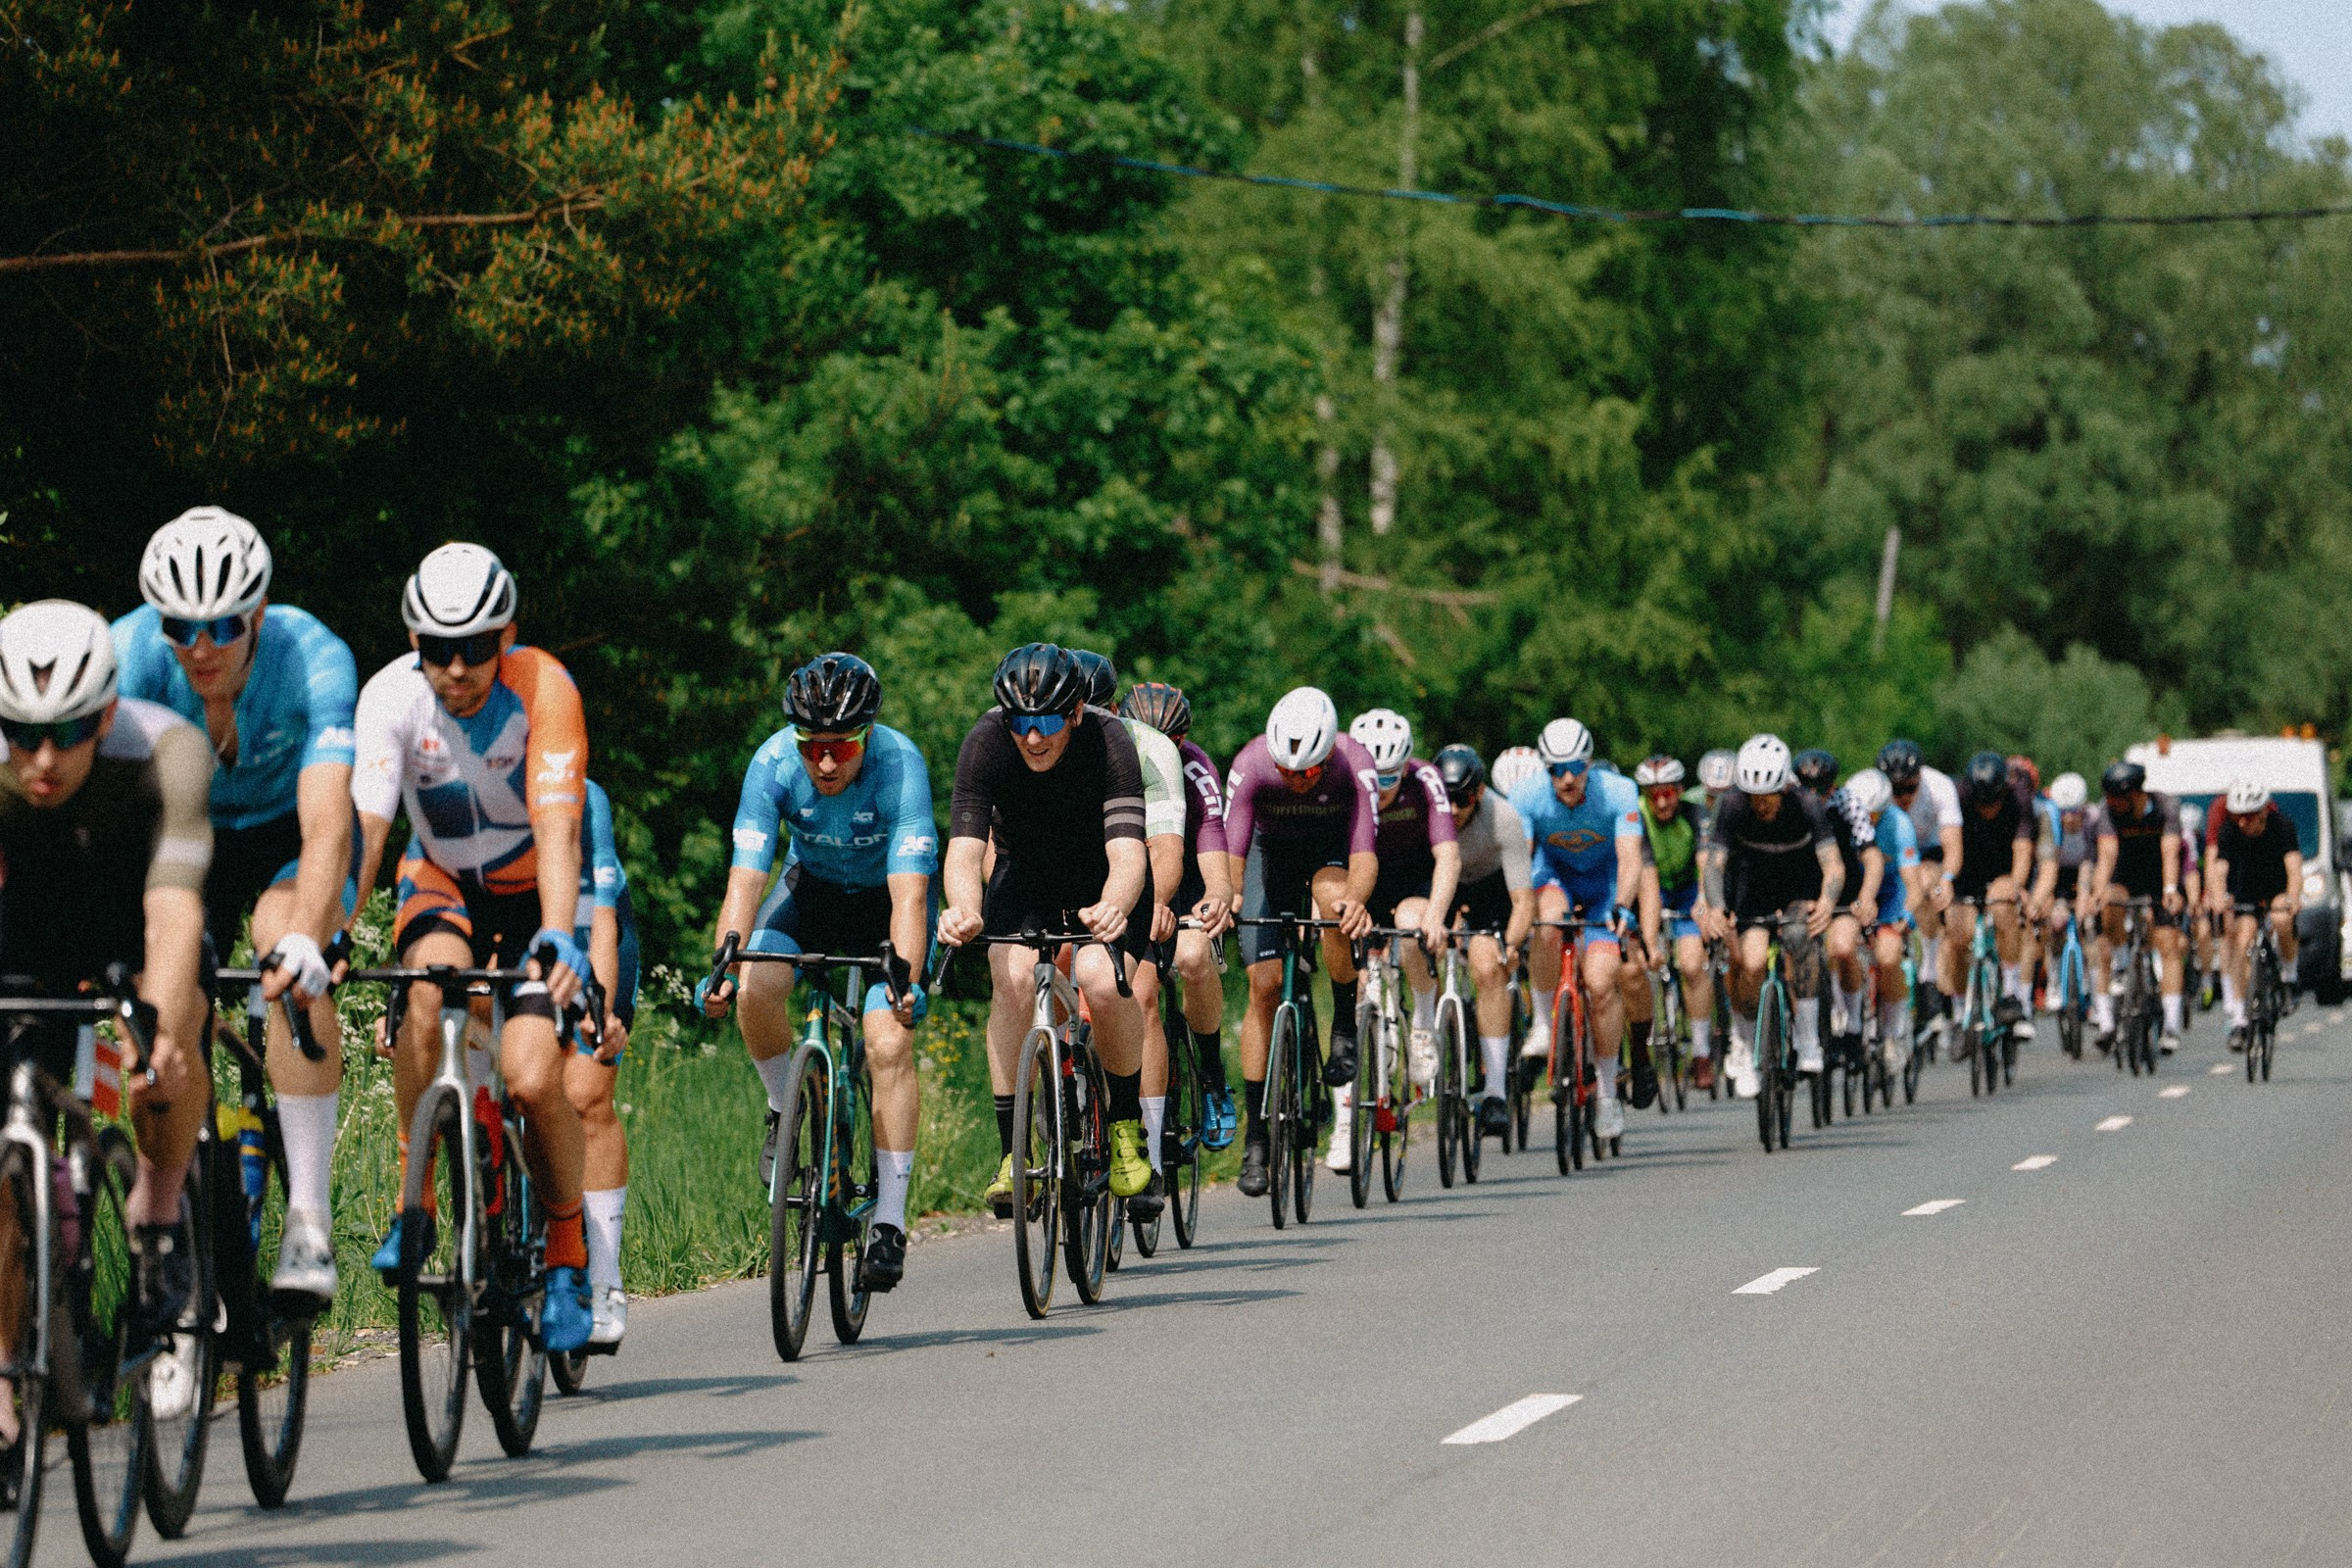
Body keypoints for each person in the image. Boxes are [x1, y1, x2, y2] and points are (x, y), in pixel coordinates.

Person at [350, 544, 598, 1352]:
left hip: (534, 894)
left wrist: (557, 930)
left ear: (507, 636)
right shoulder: (390, 696)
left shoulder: (544, 688)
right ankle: (414, 1206)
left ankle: (569, 1255)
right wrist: (334, 930)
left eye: (476, 647)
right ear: (413, 642)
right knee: (427, 993)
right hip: (443, 882)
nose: (456, 668)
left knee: (531, 1079)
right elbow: (367, 830)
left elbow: (558, 827)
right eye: (437, 649)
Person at [110, 507, 357, 1309]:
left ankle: (309, 1219)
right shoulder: (127, 659)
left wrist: (310, 939)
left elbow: (328, 824)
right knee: (167, 1009)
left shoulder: (313, 658)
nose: (201, 646)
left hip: (289, 831)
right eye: (181, 627)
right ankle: (177, 1223)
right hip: (190, 839)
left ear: (258, 614)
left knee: (286, 948)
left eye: (222, 626)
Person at [0, 603, 215, 1396]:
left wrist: (155, 1027)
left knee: (170, 1044)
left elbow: (174, 911)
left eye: (70, 731)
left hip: (136, 919)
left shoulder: (169, 750)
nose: (43, 759)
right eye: (22, 734)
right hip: (31, 929)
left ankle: (159, 1216)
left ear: (108, 713)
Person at [700, 652, 936, 1292]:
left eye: (842, 747)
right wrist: (723, 964)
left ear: (867, 736)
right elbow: (746, 878)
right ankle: (785, 1106)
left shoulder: (900, 766)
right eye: (812, 747)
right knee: (756, 989)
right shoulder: (773, 763)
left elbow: (911, 895)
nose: (826, 763)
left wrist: (905, 983)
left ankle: (889, 1221)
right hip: (810, 892)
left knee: (888, 1042)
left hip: (886, 903)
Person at [940, 646, 1153, 1217]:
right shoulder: (986, 741)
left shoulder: (1110, 740)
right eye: (1020, 723)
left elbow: (1129, 852)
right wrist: (964, 909)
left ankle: (1126, 1125)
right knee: (1011, 978)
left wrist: (1114, 905)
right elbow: (964, 852)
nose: (1033, 738)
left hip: (1102, 875)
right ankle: (1013, 1152)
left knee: (1101, 980)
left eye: (1049, 722)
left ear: (1077, 712)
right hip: (1026, 874)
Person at [1219, 687, 1380, 1198]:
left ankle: (1344, 1023)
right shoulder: (1251, 763)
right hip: (1269, 853)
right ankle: (1257, 1138)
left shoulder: (1355, 763)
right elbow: (1232, 853)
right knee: (1263, 987)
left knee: (1336, 906)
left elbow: (1365, 852)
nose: (1296, 780)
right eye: (1286, 770)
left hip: (1331, 850)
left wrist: (1356, 901)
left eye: (1308, 771)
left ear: (1328, 755)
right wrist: (1229, 898)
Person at [1071, 651, 1188, 1219]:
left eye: (1096, 709)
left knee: (1139, 995)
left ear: (1114, 707)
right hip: (1069, 877)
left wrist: (1158, 903)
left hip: (1133, 874)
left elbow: (1163, 847)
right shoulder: (1036, 744)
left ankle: (1148, 1150)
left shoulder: (1148, 748)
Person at [1330, 709, 1458, 1172]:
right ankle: (1345, 1123)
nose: (1380, 788)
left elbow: (1448, 855)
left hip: (1413, 882)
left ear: (1406, 766)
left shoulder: (1425, 780)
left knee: (1411, 923)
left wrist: (1437, 915)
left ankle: (1422, 1024)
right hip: (1363, 882)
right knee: (1356, 995)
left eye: (1390, 778)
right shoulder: (1343, 780)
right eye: (1374, 777)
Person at [1506, 717, 1644, 1140]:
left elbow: (1630, 857)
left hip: (1604, 889)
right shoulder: (1526, 794)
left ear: (1589, 763)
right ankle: (1544, 1023)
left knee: (1601, 986)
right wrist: (1518, 911)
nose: (1567, 779)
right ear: (1545, 768)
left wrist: (1623, 905)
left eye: (1575, 768)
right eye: (1556, 770)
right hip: (1554, 878)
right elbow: (1521, 858)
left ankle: (1607, 1094)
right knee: (1547, 919)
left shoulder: (1619, 791)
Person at [1119, 681, 1238, 1148]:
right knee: (1133, 988)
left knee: (1191, 956)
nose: (1162, 750)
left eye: (1173, 741)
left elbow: (1214, 856)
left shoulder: (1196, 768)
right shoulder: (1112, 756)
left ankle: (1211, 1073)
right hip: (1130, 879)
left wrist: (1217, 897)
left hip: (1184, 880)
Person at [1698, 734, 1843, 1097]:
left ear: (1784, 788)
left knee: (1799, 938)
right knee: (1751, 964)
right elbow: (1715, 865)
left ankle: (1808, 1041)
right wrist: (1716, 906)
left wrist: (1827, 901)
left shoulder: (1807, 804)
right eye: (1754, 797)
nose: (1761, 805)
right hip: (1753, 887)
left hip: (1798, 886)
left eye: (1768, 797)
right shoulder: (1732, 805)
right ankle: (1747, 1047)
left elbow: (1833, 864)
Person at [1433, 745, 1535, 1130]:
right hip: (1445, 886)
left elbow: (1523, 900)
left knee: (1487, 966)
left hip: (1492, 892)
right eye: (1447, 799)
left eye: (1463, 800)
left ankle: (1495, 1092)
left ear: (1478, 793)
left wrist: (1510, 946)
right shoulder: (1429, 812)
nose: (1453, 809)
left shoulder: (1503, 817)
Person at [569, 777, 637, 1343]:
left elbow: (602, 922)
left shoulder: (584, 799)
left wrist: (601, 1014)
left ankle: (604, 1278)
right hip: (510, 928)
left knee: (588, 1094)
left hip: (590, 925)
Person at [1943, 750, 2053, 1046]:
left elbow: (2023, 852)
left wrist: (2016, 887)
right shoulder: (1958, 797)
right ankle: (1958, 1011)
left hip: (2004, 867)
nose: (1988, 808)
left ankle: (2011, 991)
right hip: (1967, 869)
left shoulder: (2020, 800)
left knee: (2003, 904)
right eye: (1981, 802)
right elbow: (1951, 847)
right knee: (1957, 936)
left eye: (1993, 801)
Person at [2082, 760, 2186, 1053]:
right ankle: (2122, 963)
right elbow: (2107, 854)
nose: (2111, 803)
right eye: (2108, 798)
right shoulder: (2108, 813)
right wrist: (2097, 892)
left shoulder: (2165, 806)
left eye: (2117, 798)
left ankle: (2171, 1026)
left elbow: (2170, 851)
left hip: (2159, 877)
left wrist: (2170, 889)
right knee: (2110, 900)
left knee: (2168, 944)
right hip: (2124, 877)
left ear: (2136, 794)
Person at [1631, 755, 1720, 1093]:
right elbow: (1642, 873)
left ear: (1680, 790)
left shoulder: (1696, 814)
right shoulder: (1636, 815)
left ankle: (1701, 1052)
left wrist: (1703, 900)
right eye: (1653, 794)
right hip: (1648, 889)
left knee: (1693, 965)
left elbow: (1705, 862)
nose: (1662, 802)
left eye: (1668, 793)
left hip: (1686, 891)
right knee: (1638, 962)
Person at [1794, 750, 1884, 1066]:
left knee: (1843, 949)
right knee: (1795, 953)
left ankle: (1854, 1027)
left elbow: (1871, 856)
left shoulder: (1847, 803)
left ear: (1833, 786)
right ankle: (1802, 1033)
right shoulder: (1789, 805)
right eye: (1807, 788)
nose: (1815, 796)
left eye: (1822, 788)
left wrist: (1867, 897)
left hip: (1844, 892)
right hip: (1804, 891)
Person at [1879, 739, 1965, 1037]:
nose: (1903, 796)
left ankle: (1928, 974)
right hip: (1892, 857)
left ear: (1920, 778)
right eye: (1896, 790)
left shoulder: (1939, 787)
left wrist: (1947, 880)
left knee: (1926, 881)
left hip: (1930, 851)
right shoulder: (1876, 792)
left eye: (1910, 788)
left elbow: (1953, 846)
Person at [2207, 778, 2302, 1050]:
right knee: (2242, 939)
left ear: (2262, 813)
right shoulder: (2229, 830)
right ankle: (2240, 1016)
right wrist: (2219, 897)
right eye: (2236, 816)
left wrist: (2293, 896)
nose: (2241, 822)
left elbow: (2294, 867)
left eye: (2247, 816)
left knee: (2282, 919)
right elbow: (2220, 869)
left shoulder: (2282, 826)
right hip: (2245, 888)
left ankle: (2289, 976)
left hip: (2276, 886)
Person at [1847, 767, 1919, 1067]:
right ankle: (1846, 1015)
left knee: (1889, 956)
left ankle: (1893, 1032)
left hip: (1891, 894)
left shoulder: (1900, 823)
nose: (1869, 821)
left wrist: (1907, 914)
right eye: (1864, 815)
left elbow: (1912, 882)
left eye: (1875, 815)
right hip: (1855, 892)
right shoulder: (1843, 819)